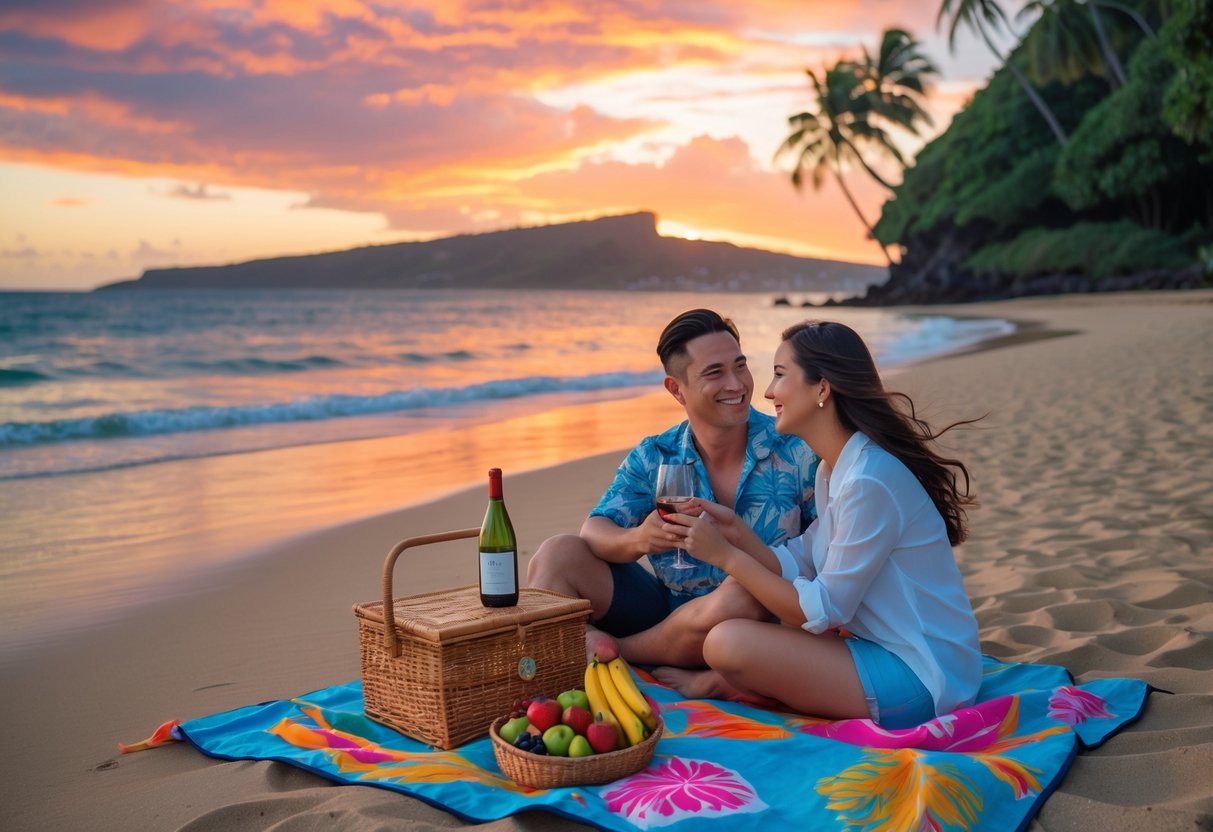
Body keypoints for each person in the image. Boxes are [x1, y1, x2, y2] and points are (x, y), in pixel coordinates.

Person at [657, 320, 982, 728]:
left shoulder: (868, 480)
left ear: (822, 389)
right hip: (883, 652)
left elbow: (822, 611)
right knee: (730, 632)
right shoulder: (835, 468)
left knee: (727, 642)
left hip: (927, 679)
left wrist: (725, 557)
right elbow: (805, 556)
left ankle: (723, 685)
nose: (769, 392)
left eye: (780, 375)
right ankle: (738, 683)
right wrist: (736, 533)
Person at [526, 309, 818, 667]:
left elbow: (830, 555)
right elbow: (596, 528)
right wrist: (639, 540)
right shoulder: (655, 454)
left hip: (754, 627)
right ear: (676, 389)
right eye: (716, 372)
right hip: (666, 611)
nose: (737, 384)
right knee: (558, 554)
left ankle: (618, 652)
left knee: (742, 594)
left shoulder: (796, 448)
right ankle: (548, 674)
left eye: (740, 366)